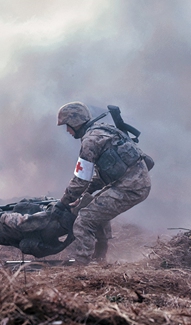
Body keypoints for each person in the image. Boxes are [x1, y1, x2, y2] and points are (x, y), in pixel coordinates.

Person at [55, 102, 152, 265]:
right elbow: (103, 173)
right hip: (131, 183)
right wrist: (87, 193)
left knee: (84, 219)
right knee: (92, 207)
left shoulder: (90, 141)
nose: (68, 131)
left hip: (131, 188)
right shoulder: (102, 131)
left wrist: (62, 204)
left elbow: (80, 180)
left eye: (67, 126)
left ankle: (81, 267)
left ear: (75, 121)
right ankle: (100, 259)